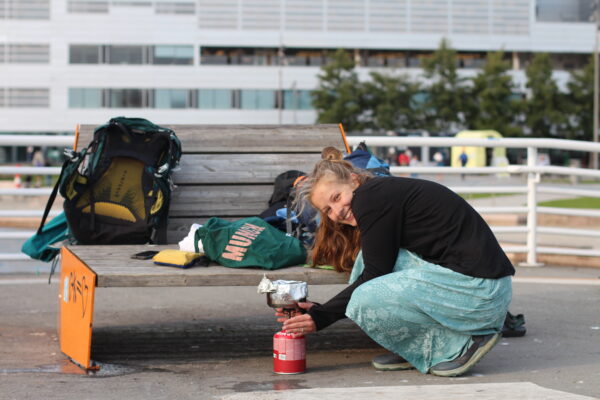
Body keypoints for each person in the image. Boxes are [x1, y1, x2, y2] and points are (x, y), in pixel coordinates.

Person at [276, 148, 514, 377]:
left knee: (365, 296)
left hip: (481, 295)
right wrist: (321, 309)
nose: (337, 211)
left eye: (337, 197)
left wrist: (321, 316)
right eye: (328, 209)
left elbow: (375, 276)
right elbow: (373, 267)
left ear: (354, 179)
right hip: (484, 290)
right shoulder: (379, 194)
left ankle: (471, 339)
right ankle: (420, 347)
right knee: (362, 263)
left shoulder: (370, 198)